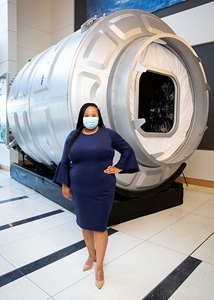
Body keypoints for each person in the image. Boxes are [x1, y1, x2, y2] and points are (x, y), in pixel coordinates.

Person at [53, 103, 139, 289]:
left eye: (94, 114)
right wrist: (65, 185)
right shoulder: (73, 136)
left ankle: (99, 266)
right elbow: (64, 161)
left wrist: (118, 167)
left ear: (99, 117)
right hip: (80, 189)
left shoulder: (108, 135)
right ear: (81, 117)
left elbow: (127, 150)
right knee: (84, 223)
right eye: (87, 114)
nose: (90, 117)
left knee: (99, 226)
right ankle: (91, 255)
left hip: (102, 188)